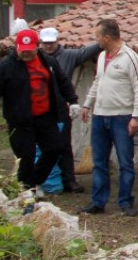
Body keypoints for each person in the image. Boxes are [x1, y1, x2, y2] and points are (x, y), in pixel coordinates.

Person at [0, 29, 81, 199]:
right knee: (26, 157)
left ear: (37, 47)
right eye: (23, 51)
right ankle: (26, 191)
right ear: (17, 48)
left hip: (45, 117)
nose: (26, 54)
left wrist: (73, 101)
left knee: (55, 148)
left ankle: (33, 182)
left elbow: (63, 81)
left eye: (30, 51)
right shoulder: (6, 66)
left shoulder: (48, 62)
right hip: (20, 121)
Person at [80, 18, 138, 217]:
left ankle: (125, 202)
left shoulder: (131, 58)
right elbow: (97, 82)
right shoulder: (101, 57)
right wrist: (87, 104)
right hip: (100, 116)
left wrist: (136, 117)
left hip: (121, 117)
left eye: (98, 36)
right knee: (99, 161)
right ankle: (98, 201)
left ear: (108, 37)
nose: (97, 40)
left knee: (125, 162)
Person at [39, 27, 101, 194]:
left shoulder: (68, 55)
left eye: (51, 43)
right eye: (46, 43)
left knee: (64, 144)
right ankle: (42, 179)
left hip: (60, 106)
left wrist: (102, 42)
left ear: (57, 41)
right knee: (42, 145)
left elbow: (86, 52)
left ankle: (69, 180)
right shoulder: (36, 57)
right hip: (40, 106)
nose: (49, 46)